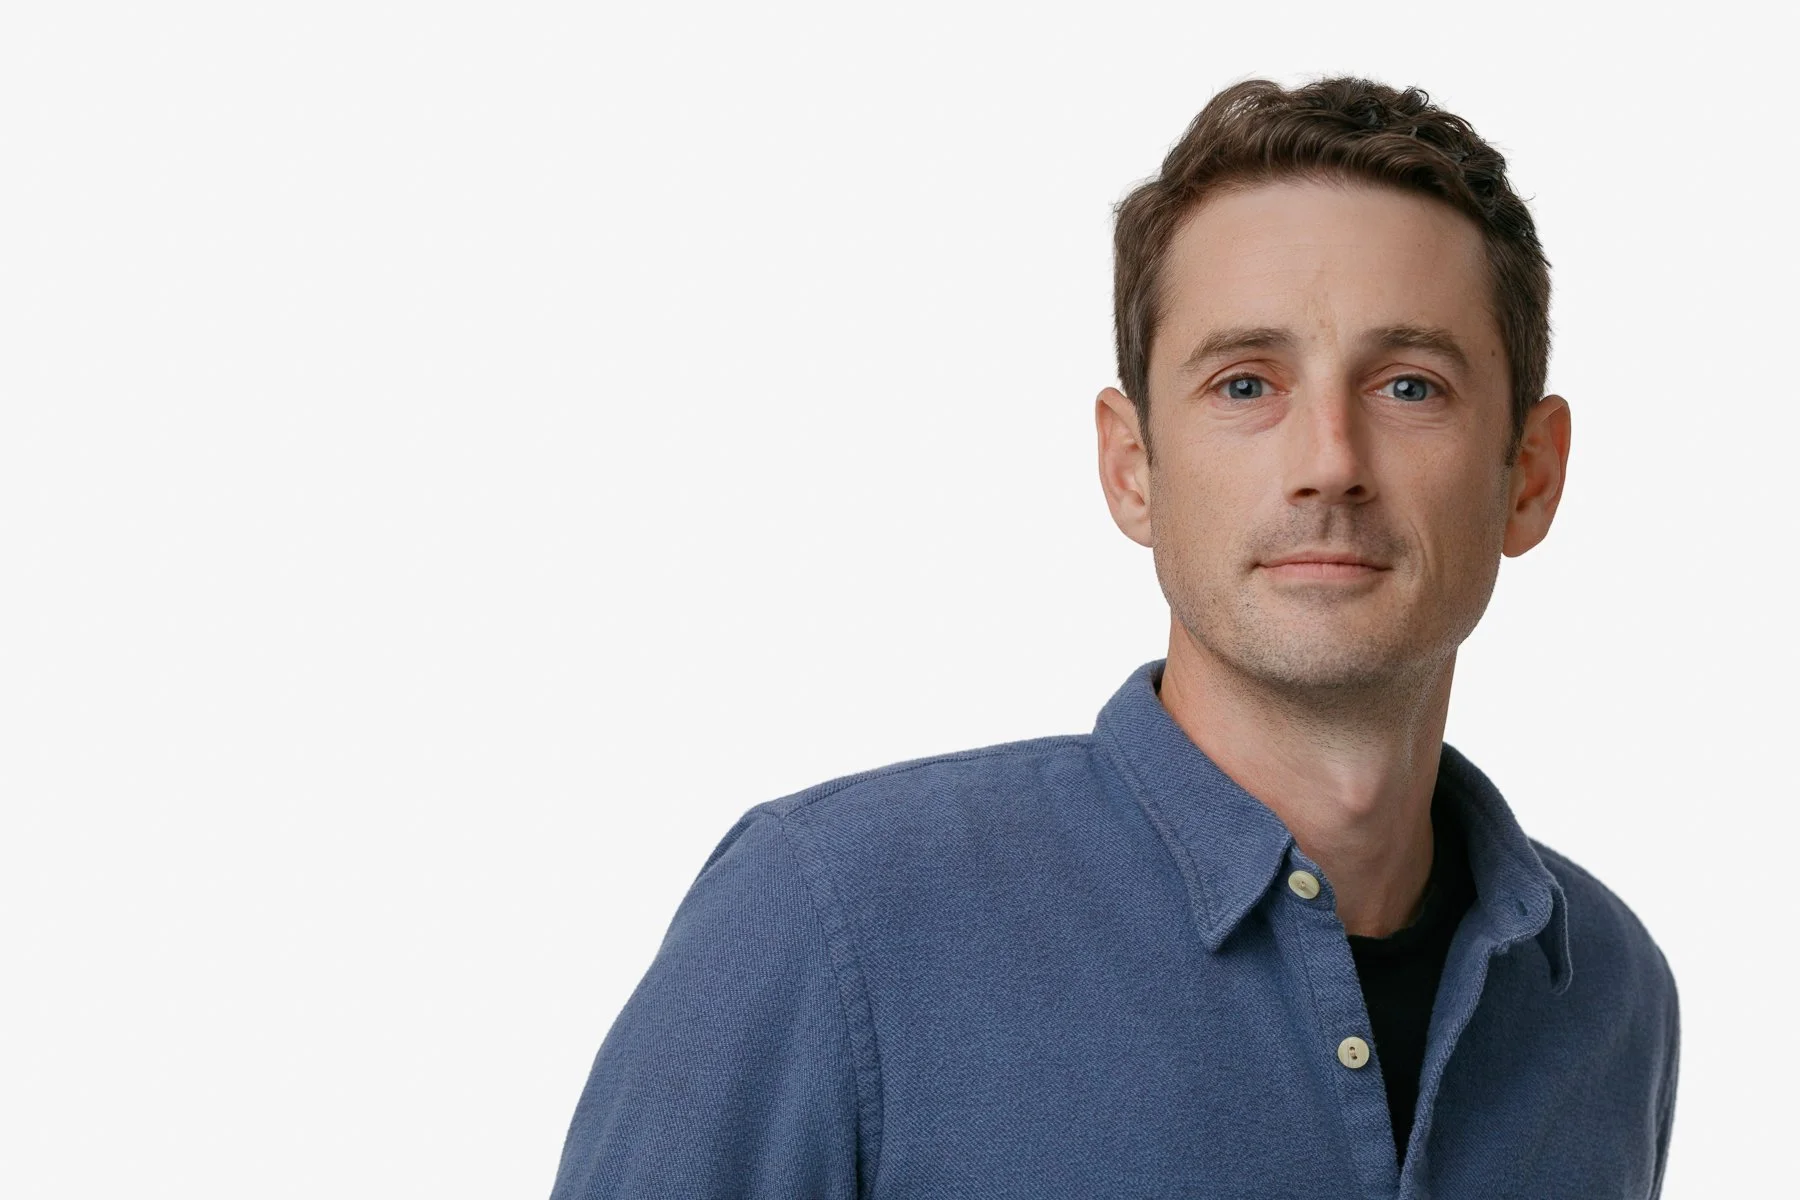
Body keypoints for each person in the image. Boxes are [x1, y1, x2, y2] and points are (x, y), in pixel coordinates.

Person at [548, 77, 1680, 1199]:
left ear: (1529, 476)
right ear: (1132, 467)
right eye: (1245, 383)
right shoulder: (833, 917)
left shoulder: (1607, 997)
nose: (1330, 459)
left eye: (1409, 386)